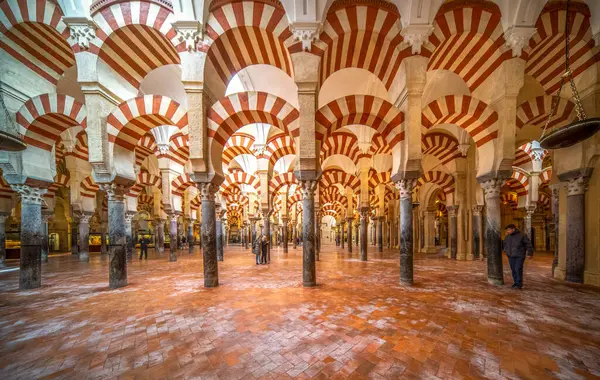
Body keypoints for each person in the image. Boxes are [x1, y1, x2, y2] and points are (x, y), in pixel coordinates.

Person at [502, 224, 533, 289]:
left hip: (519, 255)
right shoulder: (508, 236)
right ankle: (516, 283)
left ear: (513, 229)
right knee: (513, 269)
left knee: (518, 269)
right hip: (510, 256)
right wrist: (505, 250)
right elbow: (504, 244)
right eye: (507, 230)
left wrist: (530, 253)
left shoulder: (522, 235)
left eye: (509, 230)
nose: (507, 231)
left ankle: (519, 284)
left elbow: (528, 244)